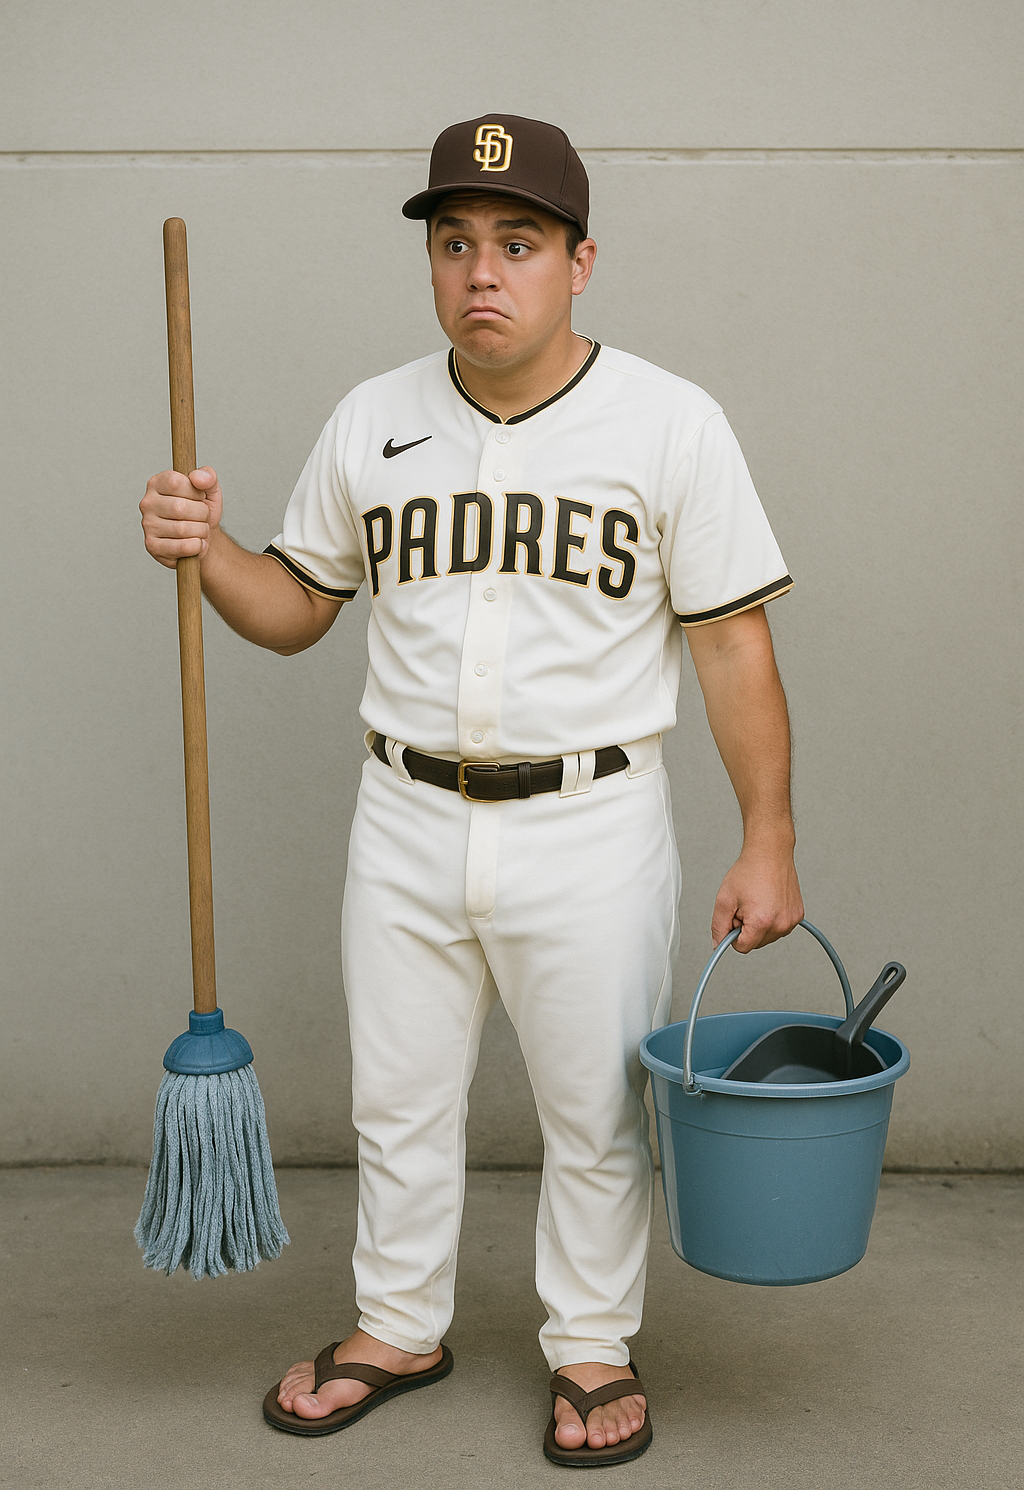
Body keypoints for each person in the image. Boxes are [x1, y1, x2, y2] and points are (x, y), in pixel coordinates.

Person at [140, 114, 804, 1468]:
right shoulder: (372, 417)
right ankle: (397, 1325)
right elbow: (295, 608)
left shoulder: (671, 422)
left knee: (596, 1111)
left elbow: (733, 643)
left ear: (580, 261)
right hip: (405, 813)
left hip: (592, 817)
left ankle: (591, 1343)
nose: (480, 273)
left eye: (517, 243)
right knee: (396, 1099)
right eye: (453, 244)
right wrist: (207, 551)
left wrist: (769, 836)